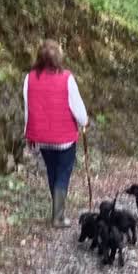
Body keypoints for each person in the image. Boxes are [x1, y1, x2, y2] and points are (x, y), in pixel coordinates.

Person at [24, 40, 88, 228]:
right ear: (58, 57)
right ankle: (58, 217)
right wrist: (85, 122)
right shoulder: (66, 77)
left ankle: (57, 211)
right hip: (65, 139)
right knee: (63, 172)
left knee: (52, 171)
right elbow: (77, 107)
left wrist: (29, 133)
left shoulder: (30, 78)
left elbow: (28, 109)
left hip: (42, 138)